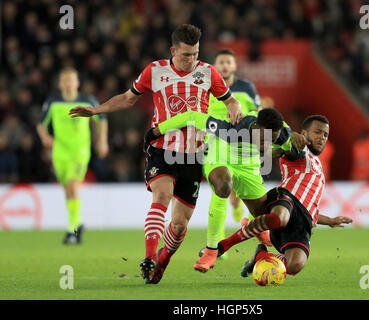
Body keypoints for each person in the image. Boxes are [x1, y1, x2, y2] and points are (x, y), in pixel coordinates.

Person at [69, 24, 243, 284]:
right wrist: (96, 110)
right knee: (163, 194)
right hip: (162, 148)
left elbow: (230, 99)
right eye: (186, 55)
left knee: (179, 225)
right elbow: (128, 99)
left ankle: (161, 263)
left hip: (193, 156)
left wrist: (234, 107)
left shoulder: (208, 72)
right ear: (173, 51)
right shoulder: (155, 70)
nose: (191, 60)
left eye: (195, 54)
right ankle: (149, 257)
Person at [146, 108, 309, 273]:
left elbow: (293, 152)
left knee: (263, 215)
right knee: (224, 186)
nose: (267, 144)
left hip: (248, 164)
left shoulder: (282, 134)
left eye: (271, 140)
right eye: (264, 139)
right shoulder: (231, 128)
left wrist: (292, 146)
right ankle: (211, 250)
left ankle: (255, 241)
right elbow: (192, 116)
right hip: (220, 156)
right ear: (257, 129)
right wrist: (155, 131)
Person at [210, 115, 352, 277]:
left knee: (295, 266)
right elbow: (288, 149)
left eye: (325, 135)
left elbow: (310, 212)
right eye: (318, 132)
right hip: (285, 200)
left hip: (301, 222)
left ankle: (261, 256)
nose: (322, 137)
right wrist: (286, 143)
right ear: (304, 134)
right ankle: (224, 245)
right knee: (279, 218)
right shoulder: (299, 149)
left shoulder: (318, 166)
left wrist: (331, 221)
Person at [37, 67, 109, 244]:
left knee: (72, 184)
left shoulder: (87, 101)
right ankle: (78, 222)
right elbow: (40, 124)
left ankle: (72, 230)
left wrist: (102, 141)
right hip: (59, 152)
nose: (69, 84)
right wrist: (45, 137)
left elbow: (102, 119)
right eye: (65, 80)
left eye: (72, 80)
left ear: (77, 83)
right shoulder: (53, 102)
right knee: (67, 188)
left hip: (80, 151)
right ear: (60, 84)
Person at [205, 49, 264, 261]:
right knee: (220, 190)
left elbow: (260, 113)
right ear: (215, 65)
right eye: (221, 62)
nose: (225, 66)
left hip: (243, 149)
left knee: (237, 196)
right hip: (216, 147)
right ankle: (217, 244)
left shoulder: (246, 88)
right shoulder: (209, 88)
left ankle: (240, 212)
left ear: (234, 66)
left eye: (229, 62)